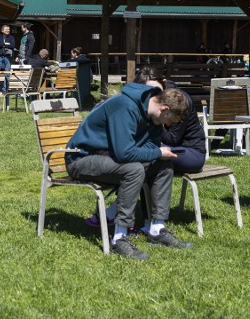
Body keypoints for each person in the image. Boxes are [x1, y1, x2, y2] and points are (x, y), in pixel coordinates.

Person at [65, 83, 193, 260]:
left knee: (163, 165)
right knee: (134, 169)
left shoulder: (153, 117)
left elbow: (145, 147)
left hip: (109, 158)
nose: (168, 125)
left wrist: (154, 153)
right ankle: (119, 238)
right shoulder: (125, 107)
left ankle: (156, 228)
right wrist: (155, 152)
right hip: (81, 159)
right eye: (170, 121)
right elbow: (125, 153)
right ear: (164, 109)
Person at [85, 66, 206, 229]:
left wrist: (153, 120)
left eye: (155, 90)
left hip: (190, 152)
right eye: (146, 90)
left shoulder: (179, 102)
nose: (151, 95)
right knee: (144, 160)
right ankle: (144, 221)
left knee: (148, 159)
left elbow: (173, 139)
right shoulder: (138, 105)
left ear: (163, 85)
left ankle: (115, 214)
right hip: (162, 148)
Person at [0, 24, 16, 93]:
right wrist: (5, 44)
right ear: (2, 30)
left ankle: (5, 89)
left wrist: (3, 44)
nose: (8, 31)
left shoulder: (11, 37)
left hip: (7, 57)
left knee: (7, 73)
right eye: (6, 29)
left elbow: (12, 45)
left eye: (9, 29)